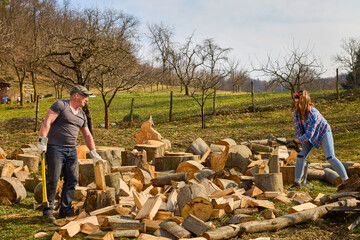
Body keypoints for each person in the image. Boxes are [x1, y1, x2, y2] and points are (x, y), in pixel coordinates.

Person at [37, 85, 104, 223]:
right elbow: (47, 121)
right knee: (53, 179)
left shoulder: (82, 114)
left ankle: (65, 209)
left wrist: (94, 153)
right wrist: (42, 141)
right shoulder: (60, 105)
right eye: (85, 96)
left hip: (71, 150)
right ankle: (48, 211)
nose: (87, 99)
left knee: (72, 179)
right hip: (55, 147)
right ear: (76, 95)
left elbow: (87, 135)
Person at [288, 90, 348, 190]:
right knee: (300, 155)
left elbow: (310, 134)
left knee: (330, 157)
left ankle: (346, 181)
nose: (296, 105)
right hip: (307, 135)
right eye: (295, 102)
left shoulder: (313, 113)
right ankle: (297, 183)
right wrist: (298, 141)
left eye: (298, 103)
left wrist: (298, 141)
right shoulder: (296, 114)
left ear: (304, 102)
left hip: (323, 132)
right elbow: (298, 130)